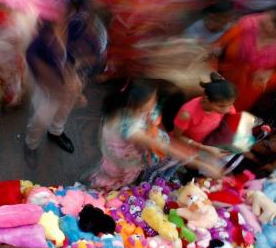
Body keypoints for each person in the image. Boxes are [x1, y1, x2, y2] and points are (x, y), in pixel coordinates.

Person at [87, 80, 219, 191]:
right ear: (138, 106)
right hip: (123, 163)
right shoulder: (130, 128)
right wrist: (202, 164)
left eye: (155, 99)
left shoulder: (138, 108)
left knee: (124, 178)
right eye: (152, 101)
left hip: (133, 158)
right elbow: (165, 147)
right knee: (113, 181)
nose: (155, 102)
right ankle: (97, 193)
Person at [214, 8, 276, 113]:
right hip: (224, 73)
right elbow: (220, 44)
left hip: (247, 89)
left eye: (268, 22)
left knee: (228, 109)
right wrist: (216, 51)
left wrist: (270, 76)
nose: (261, 20)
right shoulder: (248, 25)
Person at [24, 17, 82, 160]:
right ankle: (31, 144)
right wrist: (67, 88)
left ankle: (56, 132)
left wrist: (73, 79)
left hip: (68, 83)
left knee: (64, 110)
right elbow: (45, 78)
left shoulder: (71, 27)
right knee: (41, 119)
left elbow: (77, 54)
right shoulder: (34, 50)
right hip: (48, 91)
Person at [173, 73, 237, 154]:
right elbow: (177, 136)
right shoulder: (186, 114)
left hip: (204, 146)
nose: (226, 110)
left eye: (231, 104)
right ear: (206, 99)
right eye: (221, 106)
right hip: (181, 149)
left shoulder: (225, 102)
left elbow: (232, 117)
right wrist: (205, 148)